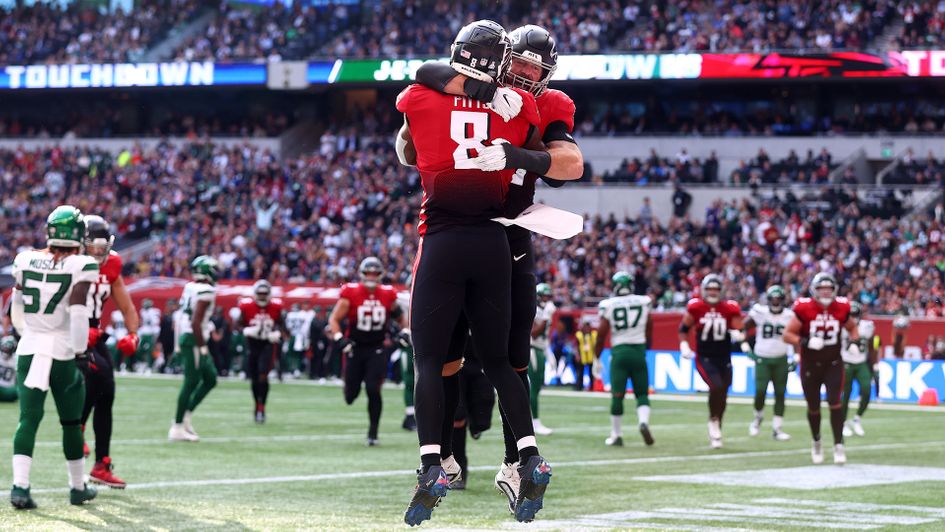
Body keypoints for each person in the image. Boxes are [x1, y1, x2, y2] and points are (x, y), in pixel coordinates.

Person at [411, 23, 583, 520]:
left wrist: (517, 155)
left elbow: (570, 163)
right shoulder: (479, 91)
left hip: (506, 236)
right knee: (448, 356)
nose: (526, 74)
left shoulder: (543, 104)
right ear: (503, 61)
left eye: (535, 68)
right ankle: (452, 457)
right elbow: (428, 73)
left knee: (508, 356)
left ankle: (510, 461)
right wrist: (480, 89)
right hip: (478, 233)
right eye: (520, 64)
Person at [9, 205, 99, 509]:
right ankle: (77, 487)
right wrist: (80, 351)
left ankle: (20, 487)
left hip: (30, 348)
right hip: (61, 351)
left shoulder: (25, 259)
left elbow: (16, 303)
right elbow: (78, 311)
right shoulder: (82, 264)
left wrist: (26, 332)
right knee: (71, 422)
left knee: (28, 419)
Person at [81, 215, 139, 488]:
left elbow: (126, 305)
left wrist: (133, 333)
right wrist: (75, 329)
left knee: (108, 391)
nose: (98, 252)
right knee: (99, 374)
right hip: (67, 329)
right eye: (93, 246)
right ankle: (75, 427)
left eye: (102, 247)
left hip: (93, 330)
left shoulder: (112, 263)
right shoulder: (69, 261)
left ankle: (101, 464)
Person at [783, 272, 859, 465]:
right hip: (810, 364)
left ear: (834, 290)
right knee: (813, 406)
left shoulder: (842, 307)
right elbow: (787, 335)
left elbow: (852, 328)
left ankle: (839, 445)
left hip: (833, 363)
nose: (825, 292)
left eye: (829, 288)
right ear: (814, 290)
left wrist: (853, 342)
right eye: (821, 288)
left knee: (835, 403)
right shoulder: (804, 308)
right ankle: (816, 441)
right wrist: (805, 341)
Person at [328, 257, 403, 446]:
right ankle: (349, 388)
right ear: (362, 274)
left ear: (380, 275)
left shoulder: (387, 294)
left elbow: (401, 317)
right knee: (350, 396)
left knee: (373, 388)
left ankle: (373, 432)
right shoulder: (351, 292)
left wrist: (406, 331)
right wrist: (339, 338)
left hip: (377, 347)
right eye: (368, 273)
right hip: (354, 347)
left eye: (375, 273)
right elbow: (334, 319)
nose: (371, 276)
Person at [678, 274, 744, 449]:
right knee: (716, 386)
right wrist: (684, 345)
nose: (713, 292)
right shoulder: (696, 307)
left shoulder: (729, 308)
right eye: (709, 289)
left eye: (716, 289)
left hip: (724, 357)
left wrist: (737, 333)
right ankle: (713, 420)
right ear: (703, 290)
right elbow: (683, 329)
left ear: (721, 290)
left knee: (723, 393)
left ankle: (717, 426)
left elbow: (739, 328)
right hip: (705, 357)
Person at [595, 271, 654, 447]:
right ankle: (643, 422)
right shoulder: (643, 301)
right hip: (638, 351)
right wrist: (645, 347)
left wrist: (597, 357)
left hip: (619, 353)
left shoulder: (609, 304)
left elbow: (601, 334)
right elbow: (649, 327)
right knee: (642, 394)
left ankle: (616, 434)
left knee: (617, 395)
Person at [168, 256, 220, 442]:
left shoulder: (190, 287)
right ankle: (177, 427)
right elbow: (196, 322)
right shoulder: (206, 291)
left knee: (210, 378)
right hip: (194, 339)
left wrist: (177, 345)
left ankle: (186, 416)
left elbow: (182, 317)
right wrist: (203, 347)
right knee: (191, 382)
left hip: (188, 336)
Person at [741, 285, 795, 441]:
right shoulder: (760, 312)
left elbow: (795, 335)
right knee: (760, 392)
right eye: (773, 298)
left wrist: (796, 358)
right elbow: (742, 327)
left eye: (778, 298)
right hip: (762, 359)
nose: (776, 301)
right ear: (768, 299)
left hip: (781, 359)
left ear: (783, 300)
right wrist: (745, 348)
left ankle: (777, 429)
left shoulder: (789, 315)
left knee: (780, 393)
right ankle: (758, 418)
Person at [237, 280, 285, 423]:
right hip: (252, 345)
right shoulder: (247, 306)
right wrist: (246, 330)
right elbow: (238, 324)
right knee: (254, 378)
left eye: (265, 293)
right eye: (260, 293)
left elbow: (282, 326)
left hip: (267, 344)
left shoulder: (275, 307)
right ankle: (256, 405)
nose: (262, 296)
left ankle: (261, 407)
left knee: (263, 375)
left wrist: (277, 333)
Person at [841, 302, 877, 437]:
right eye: (851, 315)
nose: (853, 317)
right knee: (845, 394)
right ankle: (843, 422)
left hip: (861, 363)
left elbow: (872, 346)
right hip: (845, 362)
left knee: (867, 390)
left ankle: (857, 418)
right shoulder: (841, 326)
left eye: (855, 314)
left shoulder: (867, 326)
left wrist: (874, 364)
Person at [529, 283, 555, 436]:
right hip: (531, 349)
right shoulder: (533, 310)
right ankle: (535, 422)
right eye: (544, 296)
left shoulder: (545, 311)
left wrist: (548, 351)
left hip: (540, 349)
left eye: (548, 297)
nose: (546, 300)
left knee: (537, 387)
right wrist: (546, 317)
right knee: (532, 387)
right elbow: (534, 333)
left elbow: (544, 336)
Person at [284, 302, 311, 378]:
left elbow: (287, 326)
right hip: (298, 336)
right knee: (296, 354)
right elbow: (306, 328)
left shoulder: (290, 315)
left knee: (294, 354)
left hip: (294, 336)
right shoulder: (303, 315)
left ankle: (294, 370)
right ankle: (295, 370)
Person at [138, 299, 161, 371]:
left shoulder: (154, 312)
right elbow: (142, 322)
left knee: (150, 350)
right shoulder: (142, 311)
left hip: (151, 333)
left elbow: (156, 322)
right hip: (144, 333)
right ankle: (142, 363)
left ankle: (150, 366)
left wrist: (155, 333)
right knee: (140, 348)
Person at [573, 319, 596, 392]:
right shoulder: (579, 335)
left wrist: (596, 356)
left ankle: (592, 387)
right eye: (585, 326)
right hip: (582, 357)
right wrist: (577, 355)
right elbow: (575, 345)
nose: (586, 328)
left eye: (588, 326)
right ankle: (579, 387)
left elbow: (596, 345)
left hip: (591, 357)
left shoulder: (593, 335)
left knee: (591, 373)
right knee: (580, 373)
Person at [0, 335, 17, 402]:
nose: (6, 351)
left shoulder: (16, 359)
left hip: (9, 389)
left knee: (18, 391)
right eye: (4, 348)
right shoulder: (16, 359)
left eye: (8, 350)